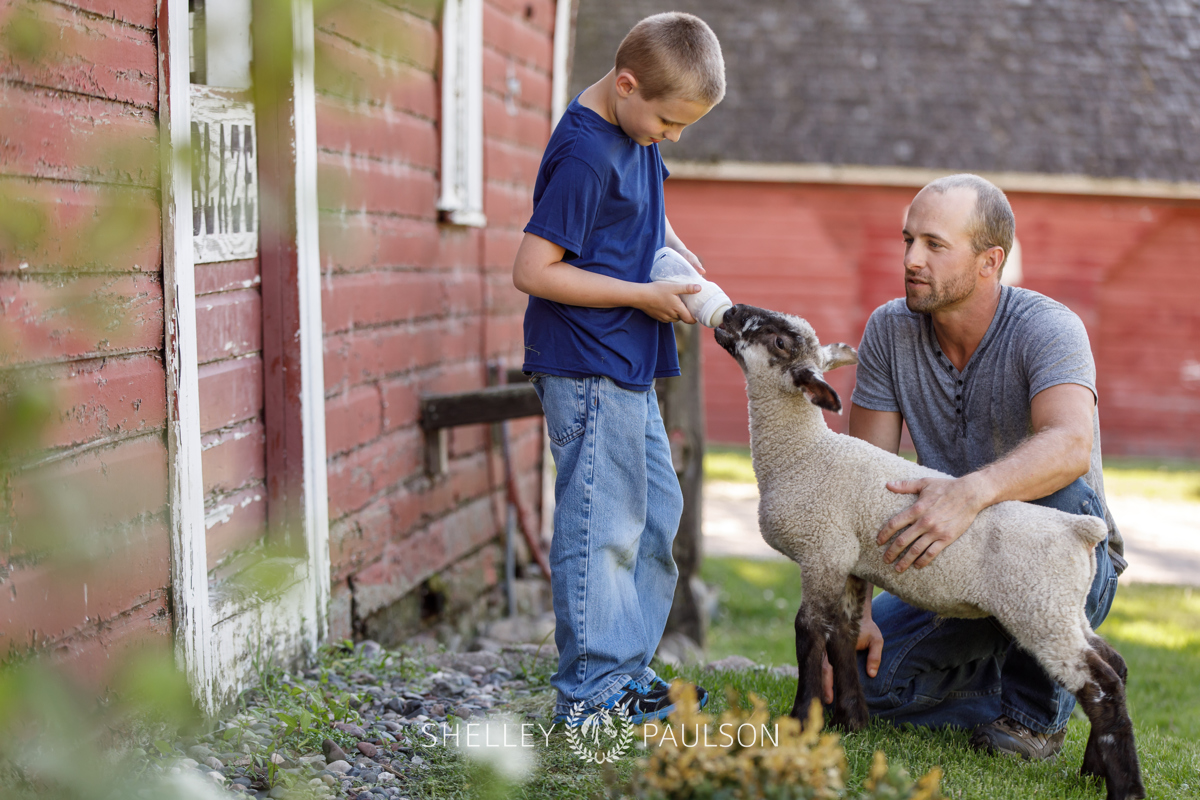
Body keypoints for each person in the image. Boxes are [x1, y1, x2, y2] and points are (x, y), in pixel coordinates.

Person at [835, 173, 1127, 760]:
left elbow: (1071, 445)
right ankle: (1064, 677)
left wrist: (970, 493)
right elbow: (859, 480)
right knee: (857, 687)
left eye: (934, 245)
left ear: (990, 261)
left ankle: (1034, 718)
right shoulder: (889, 330)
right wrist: (854, 611)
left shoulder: (1048, 327)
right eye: (908, 240)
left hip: (1063, 558)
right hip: (954, 561)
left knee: (1063, 496)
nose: (911, 259)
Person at [511, 12, 724, 726]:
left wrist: (676, 248)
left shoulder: (634, 130)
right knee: (601, 523)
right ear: (626, 85)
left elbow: (643, 208)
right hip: (586, 363)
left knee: (657, 513)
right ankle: (591, 693)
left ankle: (625, 672)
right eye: (667, 121)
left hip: (627, 363)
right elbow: (533, 270)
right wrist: (642, 293)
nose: (672, 137)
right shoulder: (585, 151)